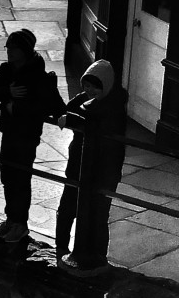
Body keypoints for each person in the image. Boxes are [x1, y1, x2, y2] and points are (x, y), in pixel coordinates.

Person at [0, 29, 65, 243]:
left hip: (27, 136)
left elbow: (51, 106)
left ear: (24, 50)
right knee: (7, 177)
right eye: (8, 47)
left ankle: (20, 224)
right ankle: (11, 219)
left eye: (13, 48)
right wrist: (7, 92)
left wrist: (15, 109)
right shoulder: (6, 70)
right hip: (9, 132)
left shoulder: (38, 75)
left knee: (20, 178)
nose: (8, 51)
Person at [54, 60, 128, 276]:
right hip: (78, 165)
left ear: (106, 85)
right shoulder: (90, 99)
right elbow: (70, 108)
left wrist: (72, 118)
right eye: (85, 86)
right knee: (67, 206)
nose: (89, 91)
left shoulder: (112, 107)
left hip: (102, 171)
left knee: (97, 215)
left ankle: (98, 257)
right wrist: (83, 97)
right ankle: (61, 248)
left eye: (94, 87)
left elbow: (92, 124)